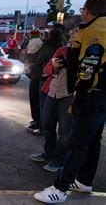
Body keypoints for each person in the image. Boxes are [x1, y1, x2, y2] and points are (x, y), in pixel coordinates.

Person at [34, 0, 106, 203]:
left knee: (78, 142)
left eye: (83, 9)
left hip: (91, 95)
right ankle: (84, 180)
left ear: (88, 10)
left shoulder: (93, 31)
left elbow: (89, 66)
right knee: (92, 141)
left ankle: (60, 188)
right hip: (101, 96)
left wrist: (80, 91)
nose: (82, 13)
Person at [30, 25, 79, 173]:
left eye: (76, 31)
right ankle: (48, 153)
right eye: (73, 31)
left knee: (64, 131)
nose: (73, 33)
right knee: (47, 125)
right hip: (52, 92)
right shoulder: (62, 50)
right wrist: (54, 67)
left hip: (68, 96)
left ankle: (59, 160)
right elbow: (46, 71)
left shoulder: (84, 54)